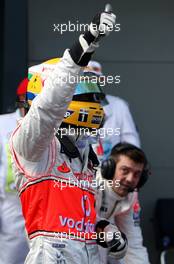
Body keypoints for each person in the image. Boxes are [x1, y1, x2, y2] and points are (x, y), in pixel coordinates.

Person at [10, 8, 129, 263]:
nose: (91, 99)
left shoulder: (84, 152)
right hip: (51, 255)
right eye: (81, 90)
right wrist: (86, 42)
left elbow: (81, 218)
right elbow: (49, 105)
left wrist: (104, 230)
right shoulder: (32, 144)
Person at [96, 142, 151, 264]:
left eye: (137, 174)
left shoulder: (131, 196)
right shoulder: (91, 184)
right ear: (109, 168)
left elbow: (133, 244)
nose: (130, 179)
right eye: (125, 170)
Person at [83, 60, 140, 161]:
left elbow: (131, 143)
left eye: (94, 79)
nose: (89, 84)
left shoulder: (119, 105)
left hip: (110, 172)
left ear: (102, 80)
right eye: (84, 79)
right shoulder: (68, 105)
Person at [0, 78, 29, 264]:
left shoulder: (51, 125)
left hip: (41, 201)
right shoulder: (2, 124)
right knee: (12, 257)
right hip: (12, 203)